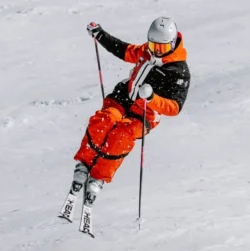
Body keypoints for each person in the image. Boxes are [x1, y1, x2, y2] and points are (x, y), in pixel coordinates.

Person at [72, 16, 191, 205]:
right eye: (154, 46)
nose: (157, 52)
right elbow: (124, 50)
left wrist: (152, 98)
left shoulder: (178, 71)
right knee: (104, 120)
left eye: (162, 48)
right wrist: (100, 35)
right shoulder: (146, 51)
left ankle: (99, 176)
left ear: (173, 43)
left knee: (121, 135)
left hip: (145, 112)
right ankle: (84, 163)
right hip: (124, 97)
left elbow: (175, 107)